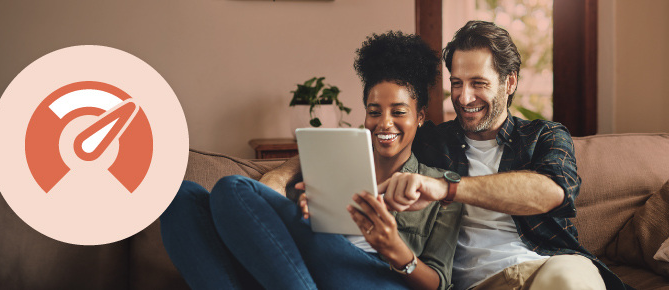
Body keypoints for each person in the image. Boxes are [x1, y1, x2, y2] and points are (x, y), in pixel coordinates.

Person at [263, 21, 631, 290]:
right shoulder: (431, 140)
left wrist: (447, 188)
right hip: (469, 285)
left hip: (546, 271)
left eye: (479, 84)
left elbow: (550, 192)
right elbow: (361, 140)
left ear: (510, 82)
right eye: (456, 83)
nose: (465, 97)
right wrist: (278, 180)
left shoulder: (545, 136)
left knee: (571, 279)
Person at [160, 31, 463, 290]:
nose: (384, 123)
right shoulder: (334, 162)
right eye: (374, 111)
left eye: (398, 112)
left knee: (232, 189)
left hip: (379, 277)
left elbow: (439, 282)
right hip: (310, 270)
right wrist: (303, 211)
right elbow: (291, 232)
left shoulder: (438, 187)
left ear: (420, 117)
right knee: (181, 196)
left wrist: (393, 247)